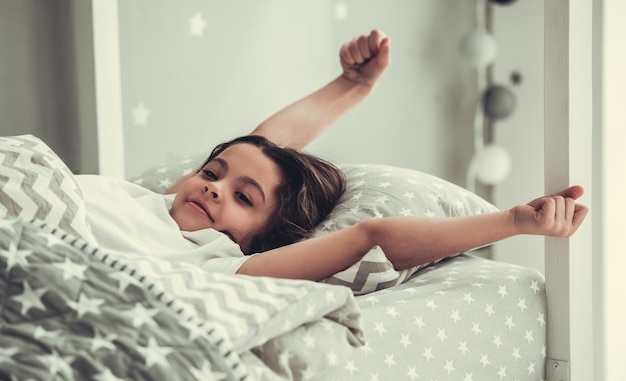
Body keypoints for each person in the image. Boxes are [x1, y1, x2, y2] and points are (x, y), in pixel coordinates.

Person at [80, 29, 589, 283]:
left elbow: (373, 237)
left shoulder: (219, 264)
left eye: (243, 198)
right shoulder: (151, 203)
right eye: (212, 173)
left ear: (266, 239)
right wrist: (351, 84)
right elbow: (263, 142)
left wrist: (514, 221)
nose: (214, 186)